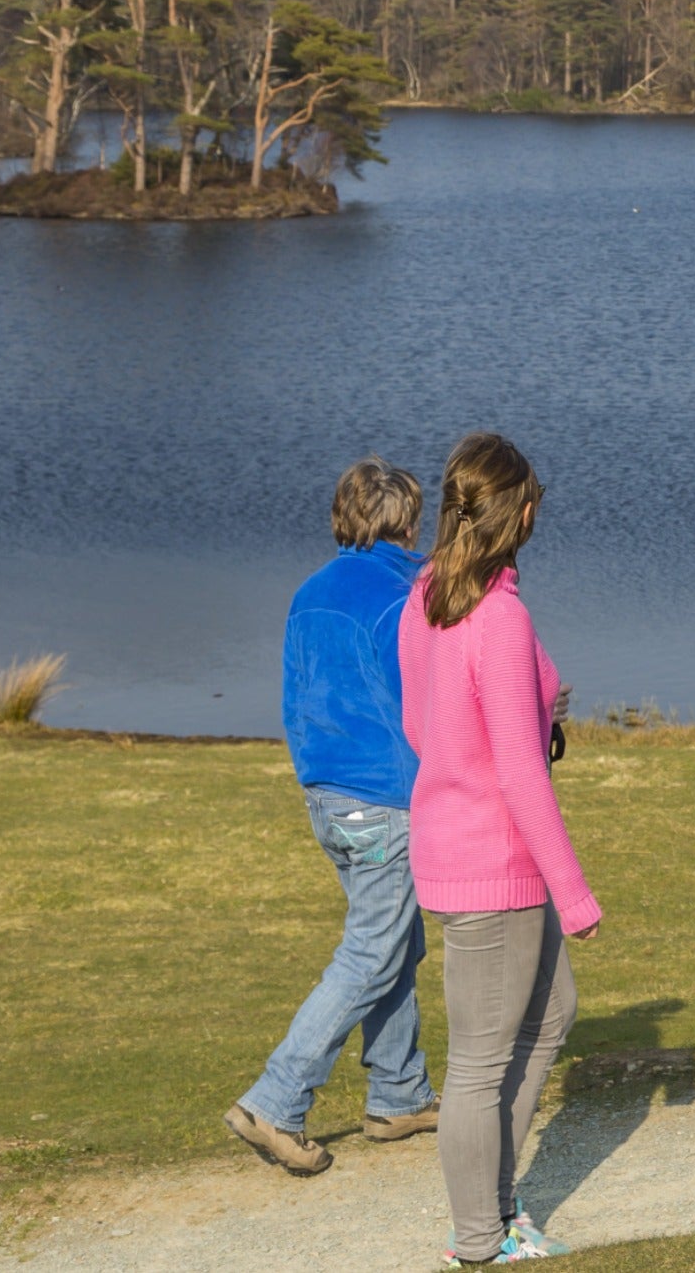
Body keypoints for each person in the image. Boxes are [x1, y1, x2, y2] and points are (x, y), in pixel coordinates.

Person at [400, 434, 599, 1266]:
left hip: (457, 845)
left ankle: (496, 1201)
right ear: (521, 512)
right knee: (480, 1065)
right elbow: (520, 774)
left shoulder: (431, 594)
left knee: (551, 1014)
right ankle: (480, 1241)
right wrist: (575, 892)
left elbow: (420, 724)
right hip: (494, 865)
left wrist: (541, 696)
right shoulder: (498, 614)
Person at [224, 459, 441, 1178]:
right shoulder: (401, 597)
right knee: (372, 952)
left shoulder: (309, 592)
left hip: (324, 794)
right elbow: (424, 701)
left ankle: (398, 1094)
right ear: (406, 521)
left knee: (395, 943)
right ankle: (275, 1100)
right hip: (382, 800)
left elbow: (296, 695)